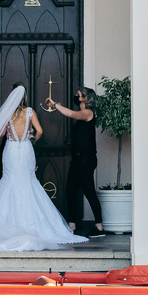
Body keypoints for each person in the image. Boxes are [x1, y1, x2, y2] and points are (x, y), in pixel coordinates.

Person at [0, 84, 87, 251]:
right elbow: (39, 130)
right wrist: (31, 139)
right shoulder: (30, 112)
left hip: (11, 150)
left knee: (8, 182)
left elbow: (2, 134)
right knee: (29, 181)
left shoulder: (7, 113)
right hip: (25, 149)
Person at [49, 87, 104, 237]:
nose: (77, 94)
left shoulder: (88, 112)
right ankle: (71, 225)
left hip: (87, 159)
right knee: (70, 190)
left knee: (88, 191)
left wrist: (56, 105)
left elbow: (71, 114)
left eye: (80, 94)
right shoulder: (83, 113)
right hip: (77, 159)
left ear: (86, 98)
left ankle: (99, 227)